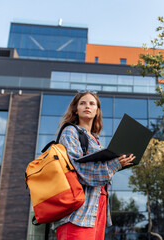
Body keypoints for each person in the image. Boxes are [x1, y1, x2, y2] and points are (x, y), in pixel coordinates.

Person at [52, 91, 135, 240]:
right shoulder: (70, 131)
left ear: (97, 111)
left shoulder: (96, 140)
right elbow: (79, 170)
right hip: (77, 213)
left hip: (97, 209)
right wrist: (114, 165)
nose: (87, 106)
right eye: (82, 103)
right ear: (76, 110)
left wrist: (121, 162)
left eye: (92, 103)